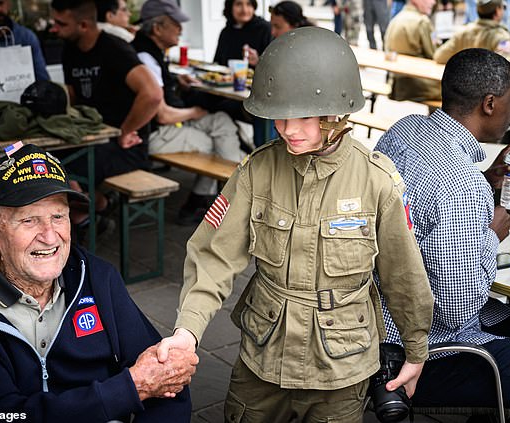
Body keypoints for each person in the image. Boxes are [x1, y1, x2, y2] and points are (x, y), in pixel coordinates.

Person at [157, 27, 434, 422]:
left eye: (303, 116)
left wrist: (416, 350)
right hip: (263, 357)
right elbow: (213, 258)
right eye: (280, 116)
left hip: (340, 367)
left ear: (337, 111)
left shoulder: (376, 180)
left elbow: (403, 274)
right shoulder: (257, 171)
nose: (288, 129)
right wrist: (188, 331)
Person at [0, 143, 196, 422]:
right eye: (29, 220)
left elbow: (167, 381)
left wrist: (147, 383)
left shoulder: (96, 277)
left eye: (58, 216)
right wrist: (132, 387)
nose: (50, 237)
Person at [374, 48, 510, 411]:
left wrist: (488, 181)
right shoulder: (461, 184)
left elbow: (426, 207)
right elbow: (457, 310)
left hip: (373, 324)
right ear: (489, 104)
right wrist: (491, 233)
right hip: (421, 354)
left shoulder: (405, 130)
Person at [132, 0, 244, 225]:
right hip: (153, 135)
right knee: (216, 144)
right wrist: (195, 112)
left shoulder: (147, 51)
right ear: (157, 28)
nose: (181, 29)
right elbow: (162, 115)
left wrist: (175, 81)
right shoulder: (146, 58)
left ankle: (219, 198)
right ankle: (215, 201)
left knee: (222, 122)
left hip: (166, 126)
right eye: (176, 24)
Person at [50, 0, 162, 215]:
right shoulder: (70, 49)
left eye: (61, 24)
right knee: (39, 162)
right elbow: (74, 96)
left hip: (125, 148)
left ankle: (95, 210)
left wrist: (126, 130)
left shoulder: (114, 48)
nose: (54, 29)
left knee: (59, 173)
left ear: (83, 25)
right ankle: (92, 210)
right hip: (90, 138)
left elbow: (153, 94)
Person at [433, 0, 510, 69]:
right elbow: (507, 68)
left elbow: (439, 56)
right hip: (489, 89)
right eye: (502, 7)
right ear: (498, 11)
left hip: (464, 87)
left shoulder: (463, 32)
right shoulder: (500, 37)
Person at [384, 0, 441, 102]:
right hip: (418, 86)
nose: (433, 2)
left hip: (396, 85)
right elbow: (435, 55)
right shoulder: (422, 22)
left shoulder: (395, 20)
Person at [213, 0, 272, 68]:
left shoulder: (265, 29)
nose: (244, 10)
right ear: (230, 7)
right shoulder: (225, 32)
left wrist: (258, 61)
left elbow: (274, 67)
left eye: (249, 4)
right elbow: (217, 63)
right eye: (239, 4)